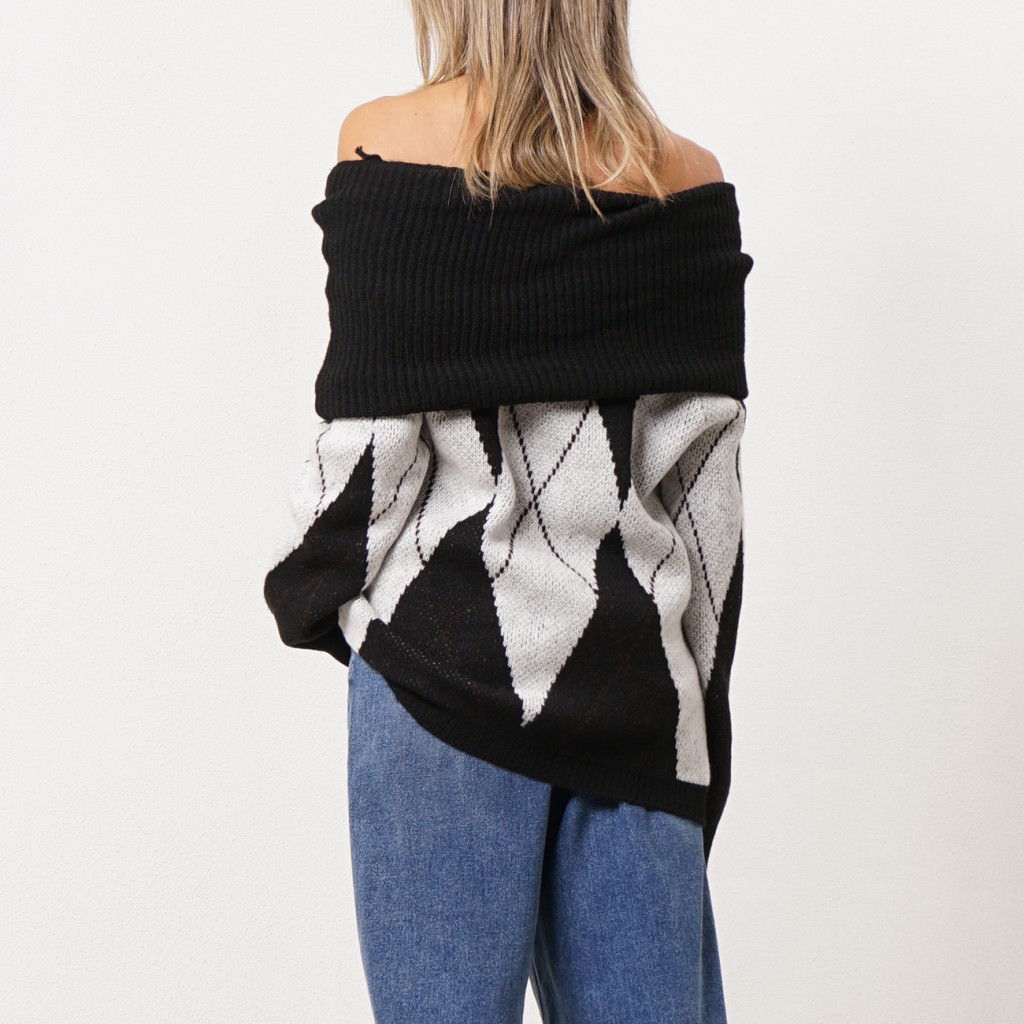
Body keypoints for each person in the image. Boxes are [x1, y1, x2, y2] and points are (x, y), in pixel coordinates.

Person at [264, 3, 754, 1020]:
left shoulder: (387, 140)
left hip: (437, 676)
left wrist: (314, 596)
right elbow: (708, 512)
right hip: (634, 692)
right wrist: (696, 728)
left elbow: (367, 462)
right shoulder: (688, 180)